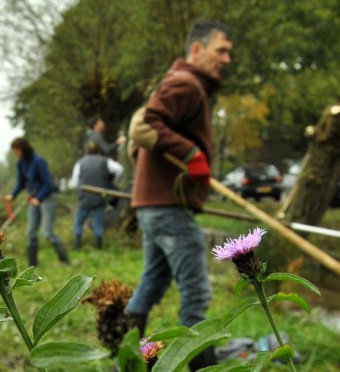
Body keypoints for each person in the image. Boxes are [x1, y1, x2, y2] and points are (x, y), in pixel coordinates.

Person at [125, 20, 232, 370]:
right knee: (197, 294)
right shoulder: (186, 85)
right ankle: (199, 367)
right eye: (221, 50)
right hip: (169, 208)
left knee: (152, 282)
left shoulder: (181, 83)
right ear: (197, 50)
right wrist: (191, 154)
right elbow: (148, 123)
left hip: (152, 206)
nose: (227, 59)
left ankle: (132, 360)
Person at [4, 137, 70, 267]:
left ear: (23, 149)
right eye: (14, 151)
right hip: (33, 200)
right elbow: (21, 182)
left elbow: (49, 184)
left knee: (47, 232)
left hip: (47, 198)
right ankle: (33, 265)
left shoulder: (38, 161)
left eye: (17, 150)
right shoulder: (21, 163)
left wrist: (38, 198)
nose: (15, 153)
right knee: (31, 233)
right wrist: (13, 195)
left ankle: (64, 260)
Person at [68, 142, 123, 249]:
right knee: (98, 223)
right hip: (99, 198)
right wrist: (114, 180)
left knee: (79, 223)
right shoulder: (105, 161)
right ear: (98, 151)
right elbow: (120, 169)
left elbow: (74, 183)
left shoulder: (80, 163)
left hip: (84, 199)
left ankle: (77, 246)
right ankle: (98, 247)